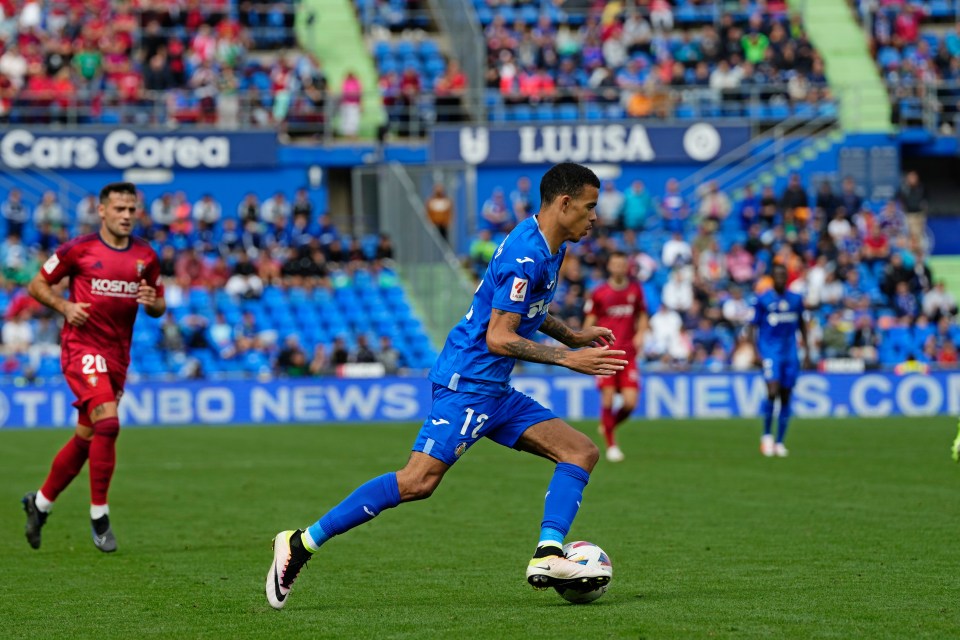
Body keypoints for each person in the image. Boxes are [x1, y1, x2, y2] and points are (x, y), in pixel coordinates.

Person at [265, 163, 627, 609]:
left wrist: (570, 334)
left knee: (580, 451)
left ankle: (549, 553)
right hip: (467, 384)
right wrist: (568, 358)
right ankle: (300, 543)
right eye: (590, 207)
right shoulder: (526, 254)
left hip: (495, 390)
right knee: (418, 481)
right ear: (564, 203)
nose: (596, 217)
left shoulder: (551, 247)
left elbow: (526, 310)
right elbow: (499, 336)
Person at [21, 182, 166, 553]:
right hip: (81, 347)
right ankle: (99, 516)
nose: (127, 216)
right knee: (109, 422)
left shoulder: (146, 256)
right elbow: (37, 284)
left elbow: (158, 304)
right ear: (102, 211)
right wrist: (65, 307)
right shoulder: (78, 249)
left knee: (88, 438)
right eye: (119, 209)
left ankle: (39, 504)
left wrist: (152, 303)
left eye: (132, 209)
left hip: (118, 355)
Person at [582, 251, 648, 462]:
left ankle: (608, 426)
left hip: (628, 354)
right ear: (609, 266)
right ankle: (611, 445)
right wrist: (588, 344)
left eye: (622, 264)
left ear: (626, 266)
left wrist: (641, 334)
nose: (619, 267)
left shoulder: (635, 290)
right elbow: (588, 322)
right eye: (615, 264)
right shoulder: (599, 292)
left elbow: (643, 315)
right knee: (608, 397)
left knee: (630, 403)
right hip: (606, 353)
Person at [749, 263, 811, 458]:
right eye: (777, 275)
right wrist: (756, 352)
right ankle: (767, 435)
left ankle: (780, 441)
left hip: (790, 352)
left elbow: (802, 324)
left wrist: (807, 350)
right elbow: (752, 327)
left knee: (786, 395)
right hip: (770, 351)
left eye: (784, 275)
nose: (781, 278)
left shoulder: (795, 299)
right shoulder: (763, 299)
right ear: (772, 277)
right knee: (772, 390)